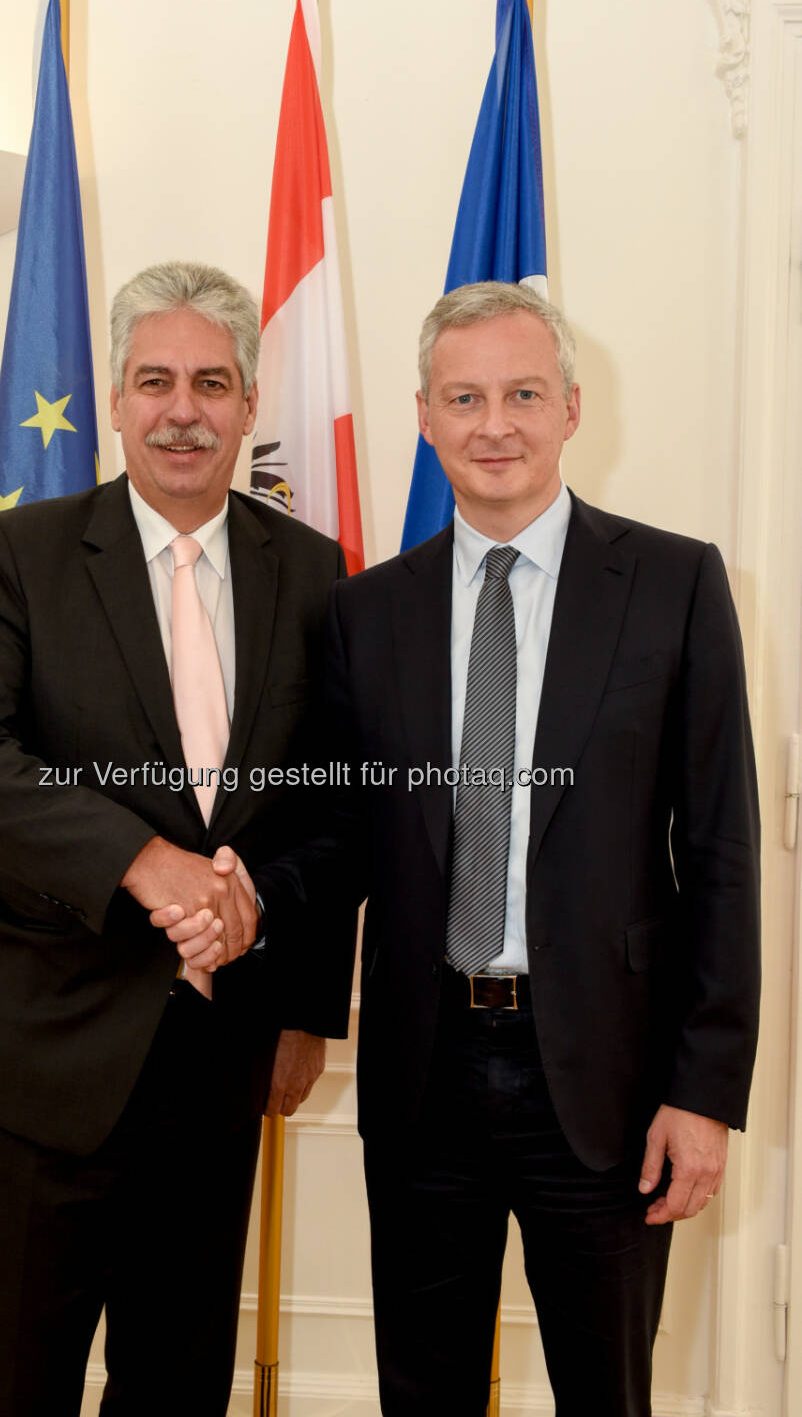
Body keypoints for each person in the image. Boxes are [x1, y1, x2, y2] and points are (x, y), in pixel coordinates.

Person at [221, 281, 761, 1416]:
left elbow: (717, 852)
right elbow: (340, 837)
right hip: (424, 1079)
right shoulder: (365, 614)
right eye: (463, 398)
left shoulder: (672, 586)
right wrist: (253, 917)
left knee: (604, 1391)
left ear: (570, 407)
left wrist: (701, 1091)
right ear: (424, 416)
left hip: (610, 1087)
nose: (493, 424)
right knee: (423, 1388)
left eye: (521, 393)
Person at [0, 260, 356, 1417]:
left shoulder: (308, 571)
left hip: (215, 1063)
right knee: (11, 1389)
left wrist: (303, 1005)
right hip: (34, 1057)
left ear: (250, 403)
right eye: (154, 380)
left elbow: (334, 804)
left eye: (211, 381)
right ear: (113, 400)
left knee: (176, 1388)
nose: (182, 409)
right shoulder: (26, 556)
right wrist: (136, 859)